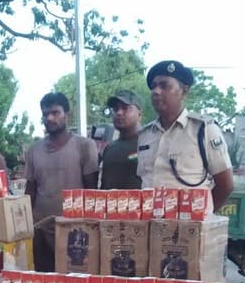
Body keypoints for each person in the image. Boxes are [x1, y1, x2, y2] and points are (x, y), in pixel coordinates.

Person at [137, 60, 234, 211]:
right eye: (154, 86)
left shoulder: (204, 130)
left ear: (184, 91)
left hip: (190, 223)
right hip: (151, 221)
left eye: (164, 85)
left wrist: (203, 214)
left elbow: (225, 185)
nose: (156, 91)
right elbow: (144, 179)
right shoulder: (145, 135)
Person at [24, 92, 99, 271]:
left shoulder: (84, 146)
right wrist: (25, 226)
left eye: (55, 113)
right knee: (44, 280)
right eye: (45, 114)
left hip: (74, 231)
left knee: (74, 281)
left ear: (67, 115)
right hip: (40, 229)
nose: (50, 118)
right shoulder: (34, 150)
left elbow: (92, 191)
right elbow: (30, 191)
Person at [99, 90, 143, 189]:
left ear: (139, 114)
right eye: (115, 109)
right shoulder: (109, 148)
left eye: (125, 108)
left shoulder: (148, 143)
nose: (119, 113)